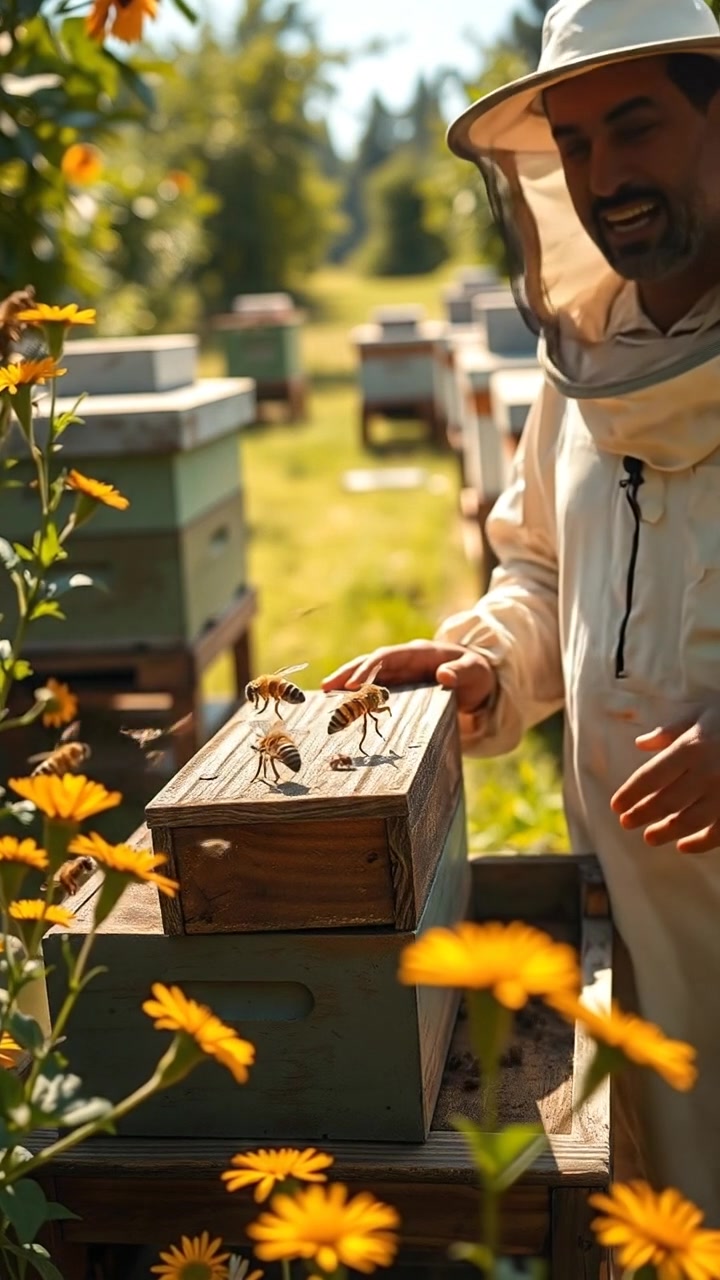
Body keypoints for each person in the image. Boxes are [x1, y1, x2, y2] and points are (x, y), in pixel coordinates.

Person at [323, 0, 720, 1224]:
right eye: (577, 142)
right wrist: (485, 663)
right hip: (638, 935)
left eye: (636, 126)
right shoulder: (589, 356)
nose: (606, 175)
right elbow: (544, 569)